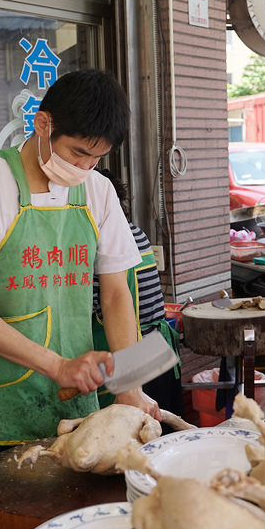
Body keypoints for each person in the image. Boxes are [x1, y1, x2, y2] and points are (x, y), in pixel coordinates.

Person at [0, 69, 160, 478]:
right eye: (77, 153)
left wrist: (129, 388)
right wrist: (57, 367)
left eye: (97, 158)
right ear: (43, 123)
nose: (85, 166)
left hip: (75, 411)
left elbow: (116, 296)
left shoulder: (98, 191)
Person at [91, 169, 183, 415]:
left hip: (134, 357)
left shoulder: (101, 243)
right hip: (158, 348)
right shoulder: (136, 232)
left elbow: (94, 308)